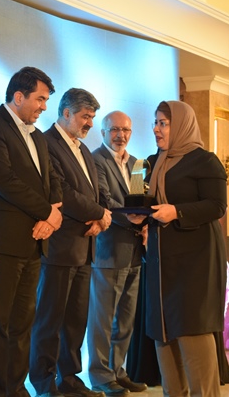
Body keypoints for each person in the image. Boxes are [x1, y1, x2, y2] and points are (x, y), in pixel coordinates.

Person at [0, 66, 63, 397]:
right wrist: (47, 212)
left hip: (35, 244)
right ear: (18, 96)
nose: (43, 107)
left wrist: (53, 215)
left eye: (46, 100)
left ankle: (16, 388)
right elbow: (3, 180)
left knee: (24, 323)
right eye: (40, 99)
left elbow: (52, 180)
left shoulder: (38, 136)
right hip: (4, 243)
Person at [136, 100, 227, 397]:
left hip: (195, 258)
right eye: (155, 122)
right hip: (161, 259)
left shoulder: (204, 161)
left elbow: (217, 205)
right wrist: (139, 215)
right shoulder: (153, 162)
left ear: (182, 126)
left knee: (191, 327)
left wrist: (176, 211)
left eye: (163, 123)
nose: (156, 129)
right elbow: (149, 202)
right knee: (162, 331)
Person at [30, 88, 109, 397]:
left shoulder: (84, 150)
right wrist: (99, 213)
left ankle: (70, 378)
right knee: (49, 321)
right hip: (58, 249)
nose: (89, 123)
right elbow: (62, 191)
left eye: (92, 117)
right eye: (85, 116)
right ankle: (44, 382)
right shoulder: (45, 143)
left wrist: (101, 216)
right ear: (65, 113)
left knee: (75, 322)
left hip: (85, 249)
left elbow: (97, 192)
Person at [88, 111, 147, 396]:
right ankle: (100, 376)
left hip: (134, 251)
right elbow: (104, 199)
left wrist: (144, 219)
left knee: (125, 319)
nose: (120, 135)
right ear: (102, 132)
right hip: (108, 251)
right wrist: (134, 219)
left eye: (125, 130)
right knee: (103, 320)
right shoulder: (95, 159)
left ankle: (117, 372)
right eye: (114, 129)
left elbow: (138, 200)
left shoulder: (137, 164)